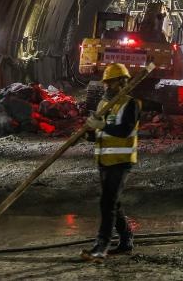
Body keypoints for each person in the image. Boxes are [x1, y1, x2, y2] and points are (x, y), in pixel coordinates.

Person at [80, 63, 141, 262]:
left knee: (107, 202)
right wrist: (90, 131)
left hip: (121, 161)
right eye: (105, 83)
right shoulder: (102, 105)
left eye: (110, 83)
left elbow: (124, 131)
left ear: (121, 82)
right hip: (104, 160)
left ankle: (101, 246)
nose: (106, 87)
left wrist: (102, 125)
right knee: (113, 202)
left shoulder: (131, 104)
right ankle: (126, 238)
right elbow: (97, 134)